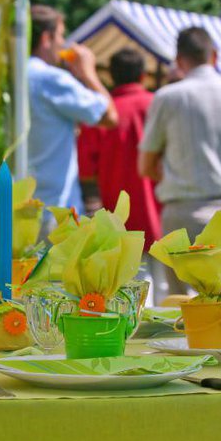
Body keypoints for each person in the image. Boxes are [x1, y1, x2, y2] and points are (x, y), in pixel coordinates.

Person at [138, 27, 221, 296]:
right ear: (215, 55)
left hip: (183, 210)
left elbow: (145, 165)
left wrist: (176, 173)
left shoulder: (169, 97)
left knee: (181, 307)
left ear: (179, 60)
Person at [78, 48, 166, 305]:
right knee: (168, 286)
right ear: (142, 74)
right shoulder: (157, 105)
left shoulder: (100, 114)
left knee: (133, 287)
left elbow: (86, 170)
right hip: (161, 209)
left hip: (119, 214)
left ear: (111, 77)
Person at [27, 4, 118, 230]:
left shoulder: (4, 76)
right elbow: (109, 116)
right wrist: (88, 73)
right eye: (61, 35)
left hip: (13, 208)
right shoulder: (50, 78)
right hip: (54, 210)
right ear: (46, 38)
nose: (63, 43)